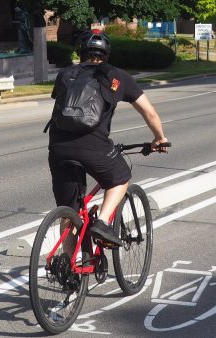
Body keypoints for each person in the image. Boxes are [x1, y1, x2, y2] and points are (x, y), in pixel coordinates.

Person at [47, 29, 168, 249]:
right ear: (107, 53)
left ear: (81, 52)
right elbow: (149, 112)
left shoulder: (66, 74)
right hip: (92, 144)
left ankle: (68, 270)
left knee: (70, 210)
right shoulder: (117, 77)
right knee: (121, 178)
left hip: (58, 147)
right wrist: (159, 138)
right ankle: (102, 223)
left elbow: (60, 100)